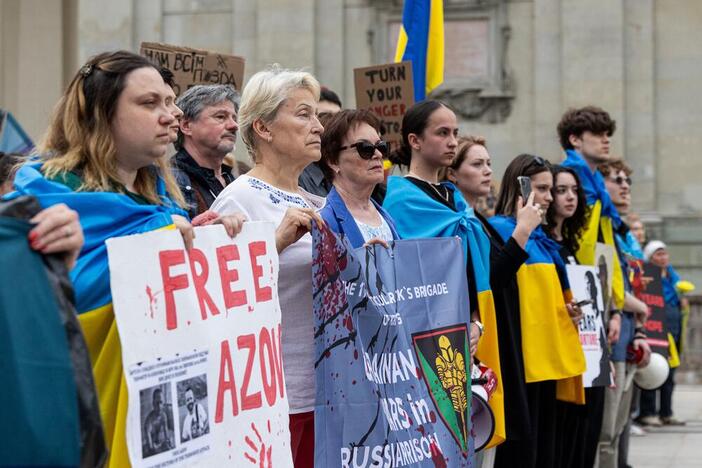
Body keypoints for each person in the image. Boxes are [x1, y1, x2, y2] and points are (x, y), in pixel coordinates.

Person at [11, 50, 244, 465]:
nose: (170, 115)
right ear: (101, 114)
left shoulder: (161, 202)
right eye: (149, 103)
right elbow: (39, 305)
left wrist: (195, 246)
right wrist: (155, 241)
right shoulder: (42, 197)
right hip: (86, 418)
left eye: (170, 102)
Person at [211, 65, 325, 468]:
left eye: (318, 116)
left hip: (329, 387)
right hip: (275, 395)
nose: (319, 127)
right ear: (263, 127)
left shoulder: (318, 202)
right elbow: (220, 297)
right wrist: (275, 241)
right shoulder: (238, 198)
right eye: (304, 114)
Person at [382, 101, 507, 452]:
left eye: (455, 132)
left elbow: (474, 272)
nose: (453, 141)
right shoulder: (396, 198)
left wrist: (477, 323)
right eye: (442, 133)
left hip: (468, 334)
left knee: (468, 441)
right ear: (415, 141)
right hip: (421, 341)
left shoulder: (455, 199)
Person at [444, 136, 542, 466]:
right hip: (479, 347)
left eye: (488, 164)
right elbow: (493, 281)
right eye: (477, 164)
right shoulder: (455, 219)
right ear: (453, 173)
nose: (488, 171)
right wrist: (523, 230)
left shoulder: (479, 220)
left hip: (501, 343)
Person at [490, 154, 586, 468]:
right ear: (522, 188)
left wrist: (566, 310)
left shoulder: (543, 240)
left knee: (547, 452)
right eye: (542, 189)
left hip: (548, 358)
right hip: (523, 360)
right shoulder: (501, 229)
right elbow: (499, 282)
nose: (548, 197)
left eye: (549, 189)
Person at [544, 164, 608, 468]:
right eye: (561, 190)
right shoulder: (543, 243)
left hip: (585, 355)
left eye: (574, 191)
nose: (570, 197)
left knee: (585, 436)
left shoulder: (568, 243)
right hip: (560, 358)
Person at [598, 159, 652, 468]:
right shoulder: (605, 231)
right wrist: (638, 306)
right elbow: (610, 287)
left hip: (628, 337)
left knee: (617, 430)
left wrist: (642, 329)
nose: (625, 186)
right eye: (617, 180)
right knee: (606, 432)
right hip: (611, 339)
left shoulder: (622, 234)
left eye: (627, 181)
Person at [318, 109, 399, 247]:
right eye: (365, 148)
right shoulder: (324, 220)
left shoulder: (386, 216)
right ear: (333, 161)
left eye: (381, 146)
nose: (378, 154)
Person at [173, 84, 239, 218]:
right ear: (186, 126)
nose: (234, 125)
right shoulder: (170, 181)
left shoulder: (234, 180)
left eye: (234, 118)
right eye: (221, 117)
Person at [639, 240, 687, 427]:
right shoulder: (648, 275)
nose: (663, 257)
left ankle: (666, 412)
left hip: (673, 329)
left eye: (664, 253)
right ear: (650, 258)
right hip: (655, 328)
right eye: (658, 254)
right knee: (653, 370)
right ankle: (648, 412)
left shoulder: (672, 274)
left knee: (670, 372)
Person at [298, 86, 342, 197]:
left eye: (338, 117)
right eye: (325, 116)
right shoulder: (295, 177)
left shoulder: (343, 173)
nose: (335, 125)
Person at [144, 388, 171, 456]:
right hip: (152, 449)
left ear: (163, 403)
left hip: (159, 444)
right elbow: (150, 447)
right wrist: (158, 446)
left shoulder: (163, 416)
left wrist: (166, 442)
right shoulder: (148, 421)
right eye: (157, 403)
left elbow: (166, 436)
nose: (159, 406)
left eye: (161, 402)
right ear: (153, 403)